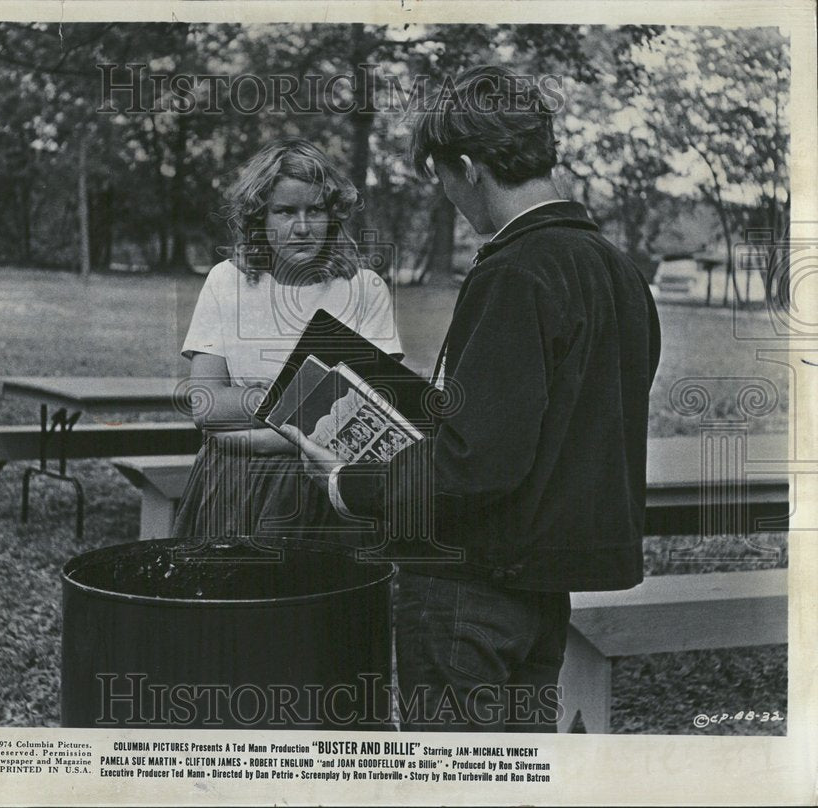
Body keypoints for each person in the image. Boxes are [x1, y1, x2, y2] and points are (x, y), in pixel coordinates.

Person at [280, 66, 662, 732]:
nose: (451, 197)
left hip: (468, 587)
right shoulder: (617, 270)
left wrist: (348, 484)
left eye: (443, 178)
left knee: (454, 780)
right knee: (518, 774)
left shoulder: (516, 269)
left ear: (466, 165)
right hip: (543, 589)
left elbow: (478, 462)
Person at [172, 137, 403, 547]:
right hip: (233, 483)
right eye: (284, 211)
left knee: (318, 605)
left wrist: (250, 425)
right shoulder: (227, 281)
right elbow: (206, 406)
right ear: (260, 217)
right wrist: (310, 405)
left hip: (329, 489)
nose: (301, 226)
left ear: (333, 215)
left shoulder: (365, 289)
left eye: (314, 210)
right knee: (229, 603)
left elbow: (373, 420)